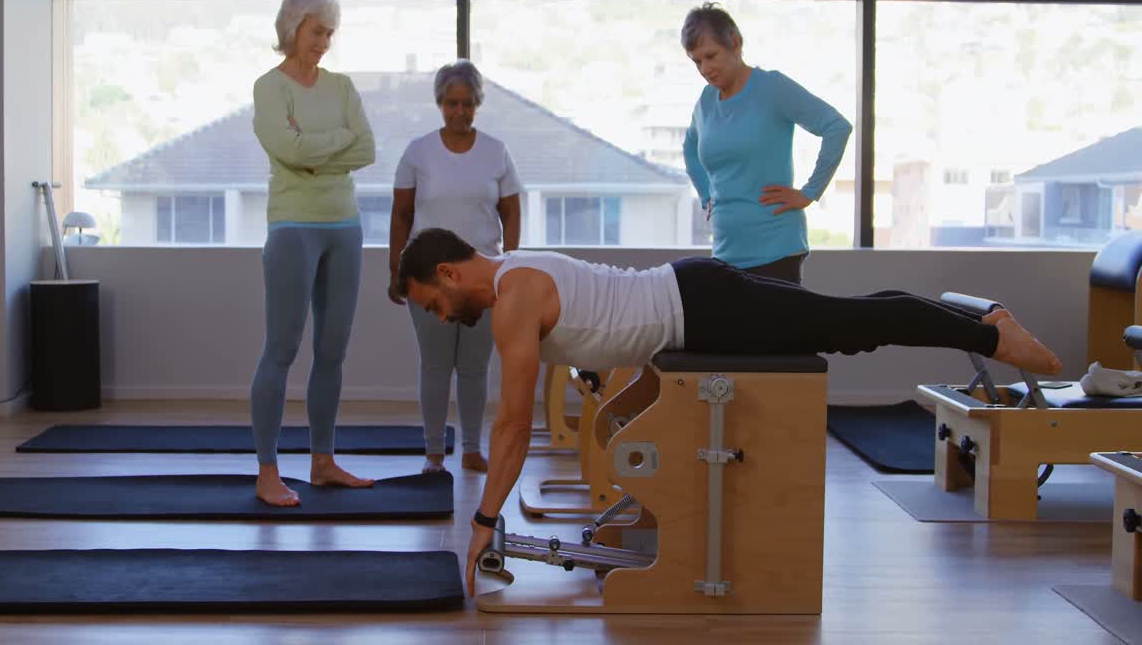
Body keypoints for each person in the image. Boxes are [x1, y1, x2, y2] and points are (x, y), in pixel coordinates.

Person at [394, 227, 1062, 593]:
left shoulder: (511, 297)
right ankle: (969, 321)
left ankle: (990, 332)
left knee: (850, 325)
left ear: (449, 273)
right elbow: (595, 320)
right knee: (847, 322)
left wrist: (484, 519)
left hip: (701, 305)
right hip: (693, 308)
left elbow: (511, 424)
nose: (443, 316)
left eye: (432, 303)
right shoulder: (518, 274)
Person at [248, 0, 376, 507]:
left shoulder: (342, 86)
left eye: (329, 33)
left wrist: (312, 149)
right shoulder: (269, 88)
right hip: (292, 227)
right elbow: (286, 148)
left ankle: (322, 462)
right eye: (316, 31)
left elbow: (366, 148)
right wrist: (331, 144)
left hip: (344, 225)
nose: (324, 42)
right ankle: (268, 470)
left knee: (333, 351)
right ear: (292, 27)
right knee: (281, 349)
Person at [387, 60, 523, 475]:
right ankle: (433, 455)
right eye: (451, 103)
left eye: (466, 104)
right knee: (434, 365)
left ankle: (469, 448)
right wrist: (397, 271)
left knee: (473, 367)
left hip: (482, 279)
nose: (459, 111)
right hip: (430, 279)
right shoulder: (418, 151)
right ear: (440, 103)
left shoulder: (496, 151)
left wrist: (510, 268)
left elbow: (512, 214)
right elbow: (401, 214)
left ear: (477, 104)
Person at [681, 2, 853, 285]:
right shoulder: (706, 102)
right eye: (697, 61)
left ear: (735, 43)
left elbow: (836, 127)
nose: (705, 69)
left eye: (711, 56)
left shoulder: (772, 88)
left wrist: (809, 192)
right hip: (725, 254)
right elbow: (690, 150)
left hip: (776, 251)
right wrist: (705, 195)